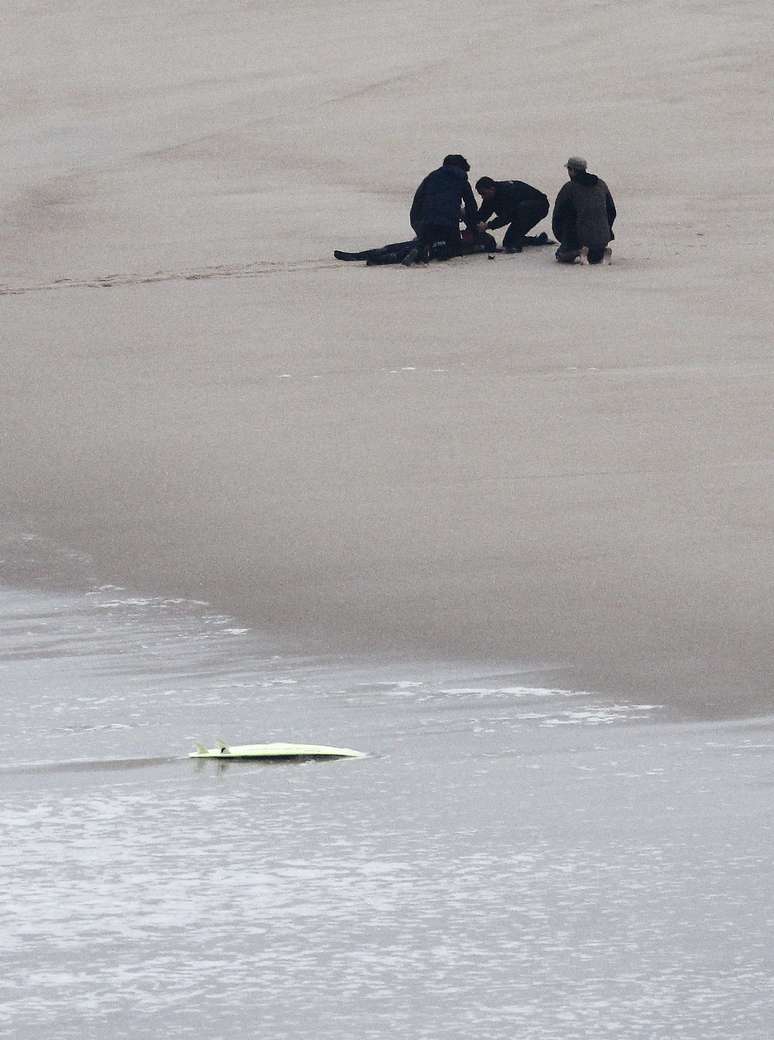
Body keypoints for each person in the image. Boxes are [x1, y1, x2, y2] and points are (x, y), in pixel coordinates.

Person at [403, 154, 479, 266]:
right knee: (453, 248)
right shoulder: (461, 180)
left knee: (428, 239)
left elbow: (417, 202)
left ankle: (423, 247)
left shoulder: (430, 177)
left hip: (426, 222)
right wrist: (473, 229)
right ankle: (435, 250)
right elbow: (471, 206)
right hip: (448, 224)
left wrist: (418, 227)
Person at [552, 156, 616, 264]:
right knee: (594, 252)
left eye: (569, 169)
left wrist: (564, 238)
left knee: (561, 255)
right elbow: (612, 211)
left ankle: (578, 252)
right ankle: (602, 251)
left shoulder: (569, 188)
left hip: (579, 236)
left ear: (572, 170)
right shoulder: (601, 184)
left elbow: (558, 214)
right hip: (603, 236)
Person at [334, 227, 497, 266]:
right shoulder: (459, 234)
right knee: (391, 247)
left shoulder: (473, 244)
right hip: (426, 241)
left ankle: (375, 260)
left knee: (401, 253)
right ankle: (357, 256)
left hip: (432, 248)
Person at [474, 176, 550, 252]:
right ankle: (538, 239)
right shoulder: (490, 196)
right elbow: (483, 214)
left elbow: (506, 217)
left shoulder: (507, 192)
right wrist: (474, 222)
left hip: (539, 207)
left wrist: (488, 226)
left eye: (483, 193)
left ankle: (517, 244)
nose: (482, 197)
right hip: (523, 210)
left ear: (492, 189)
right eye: (480, 194)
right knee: (508, 241)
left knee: (520, 212)